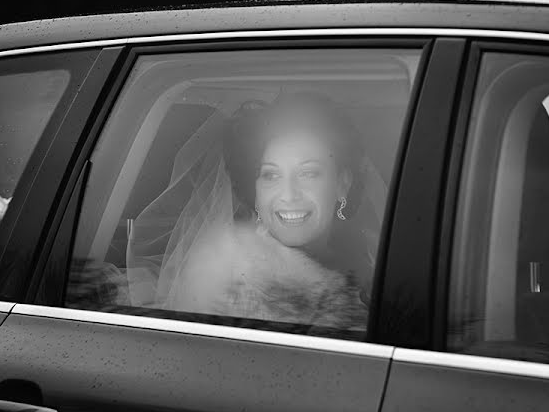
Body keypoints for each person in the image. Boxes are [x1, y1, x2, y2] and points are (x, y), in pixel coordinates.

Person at [129, 92, 376, 330]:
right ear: (253, 189)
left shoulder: (370, 255)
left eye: (308, 173)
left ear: (342, 183)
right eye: (270, 175)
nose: (289, 195)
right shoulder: (223, 266)